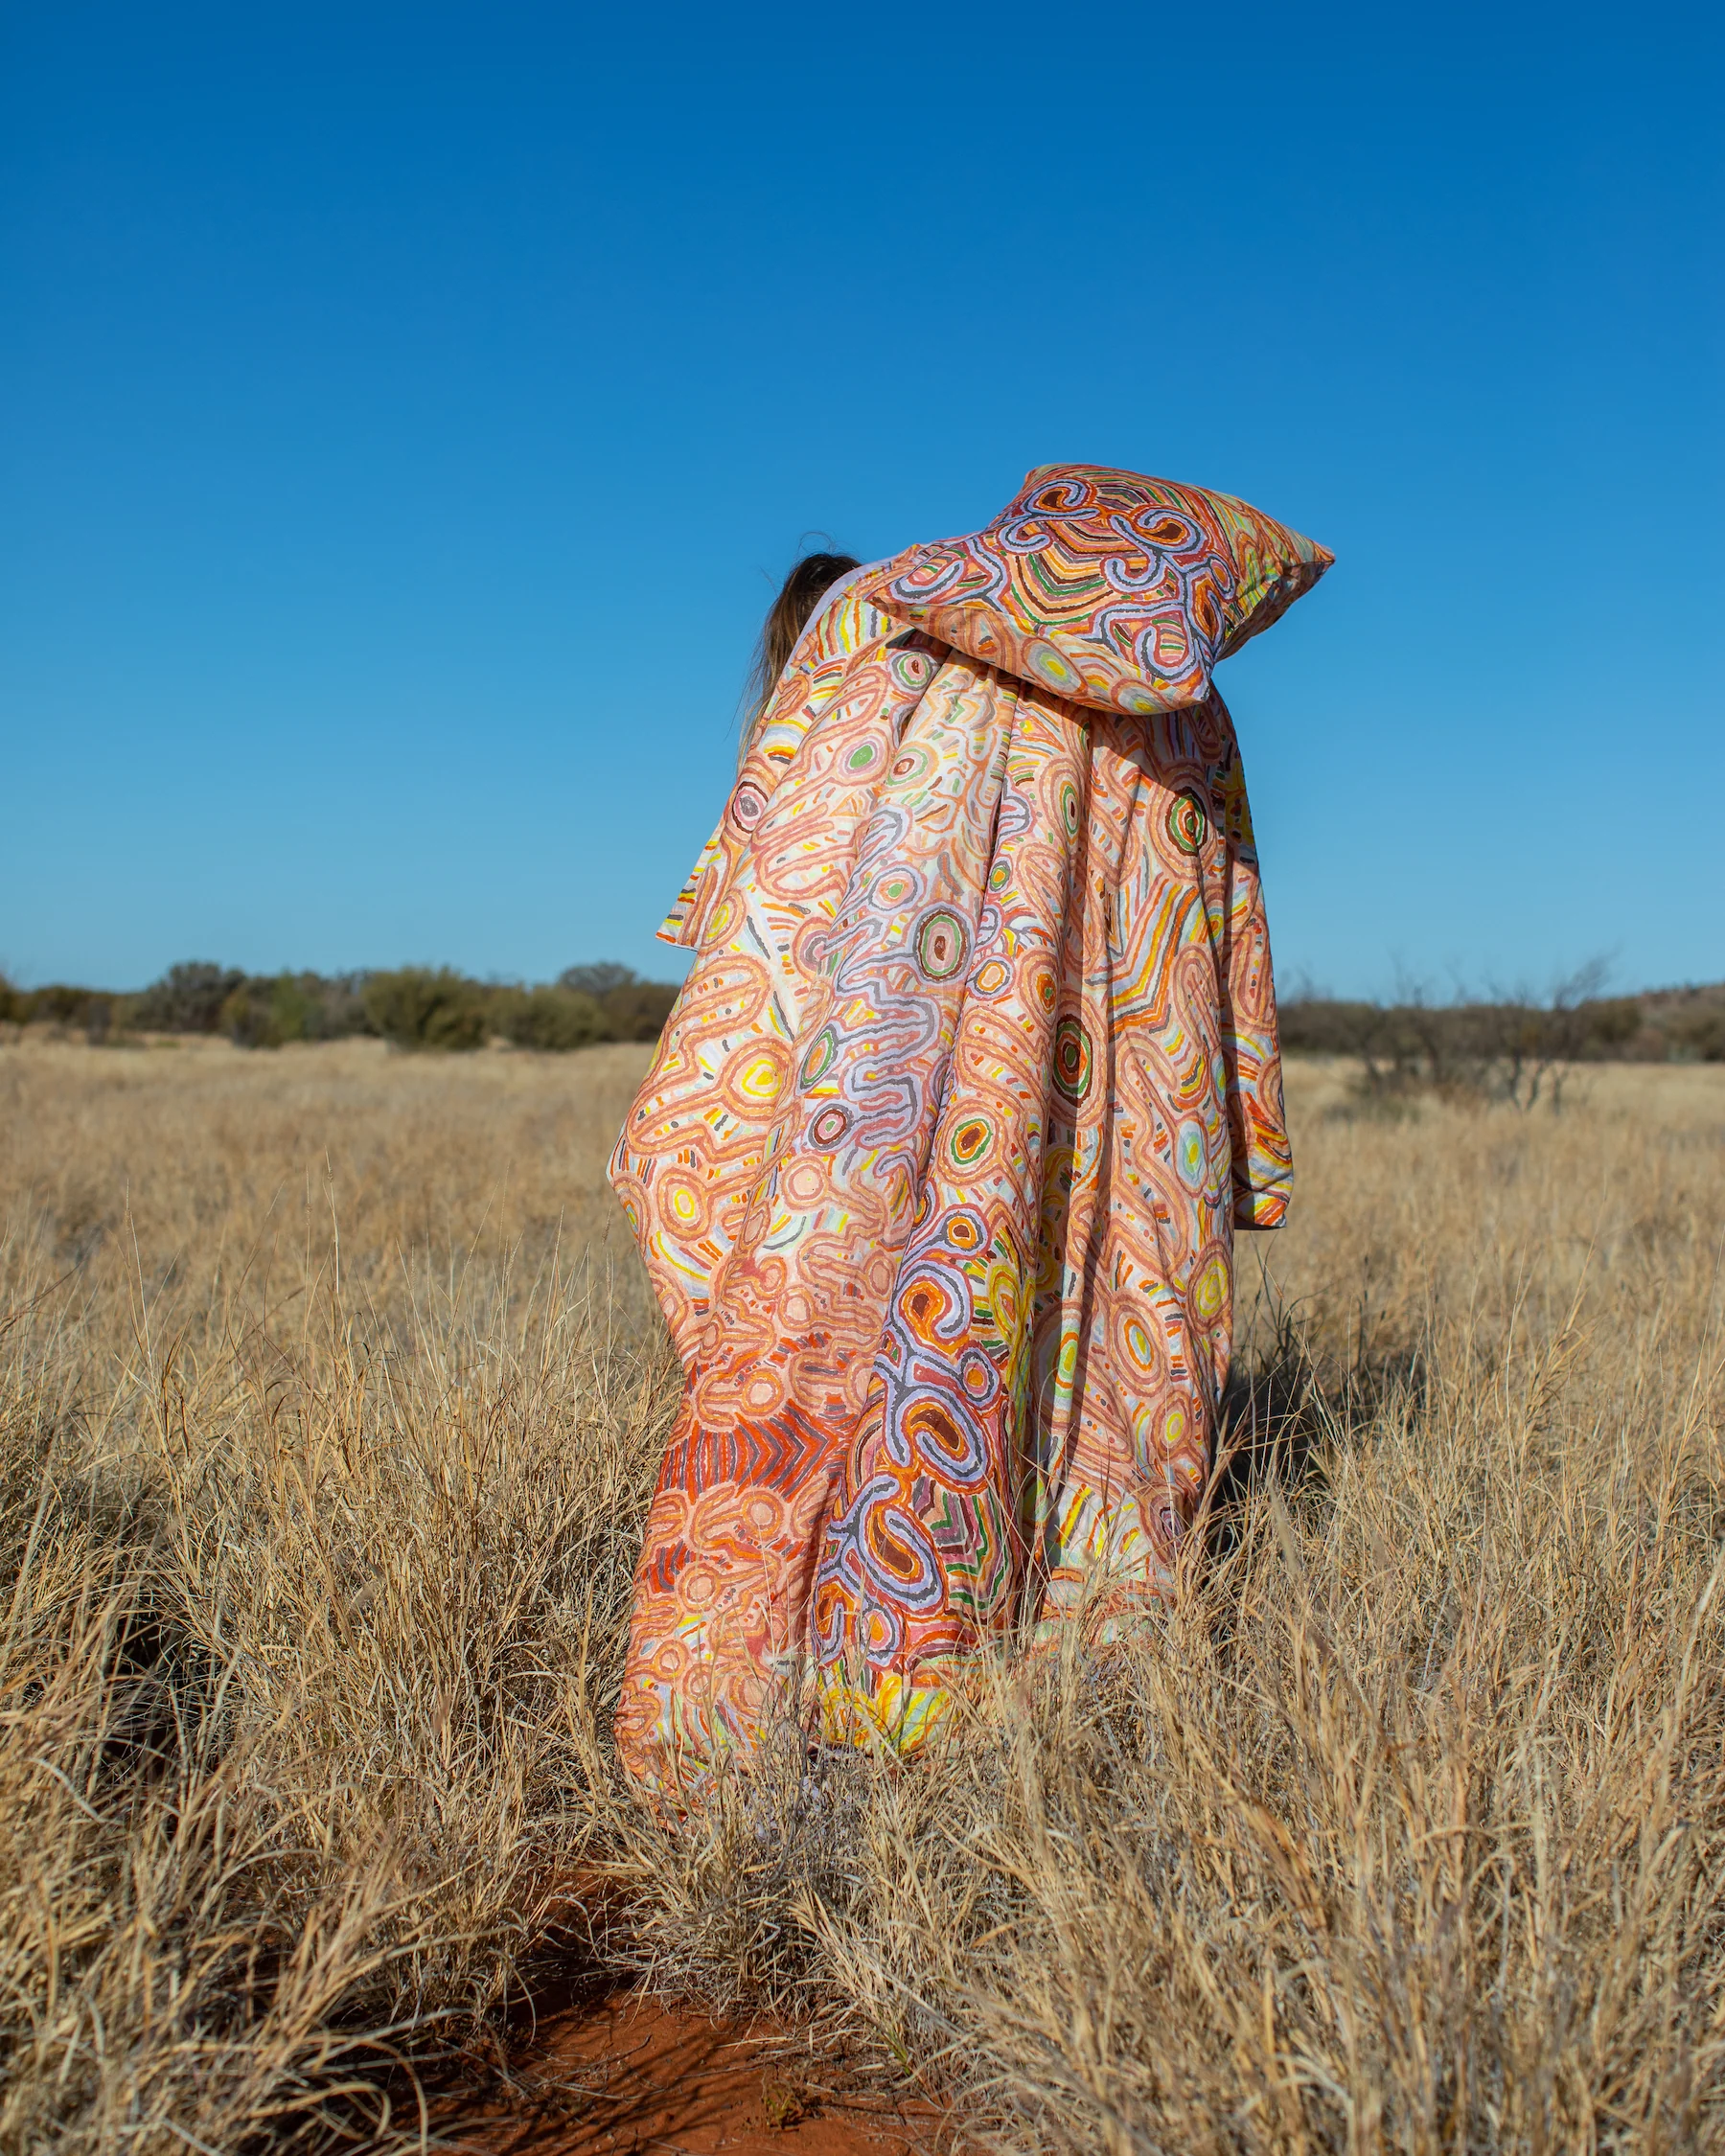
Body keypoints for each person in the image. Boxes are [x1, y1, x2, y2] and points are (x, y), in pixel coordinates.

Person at [609, 465, 1331, 1796]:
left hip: (867, 1105)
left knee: (839, 1327)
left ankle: (827, 1682)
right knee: (1102, 1347)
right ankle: (1047, 1710)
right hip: (1115, 1127)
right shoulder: (1191, 714)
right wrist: (1249, 1147)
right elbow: (1227, 953)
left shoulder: (881, 643)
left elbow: (765, 906)